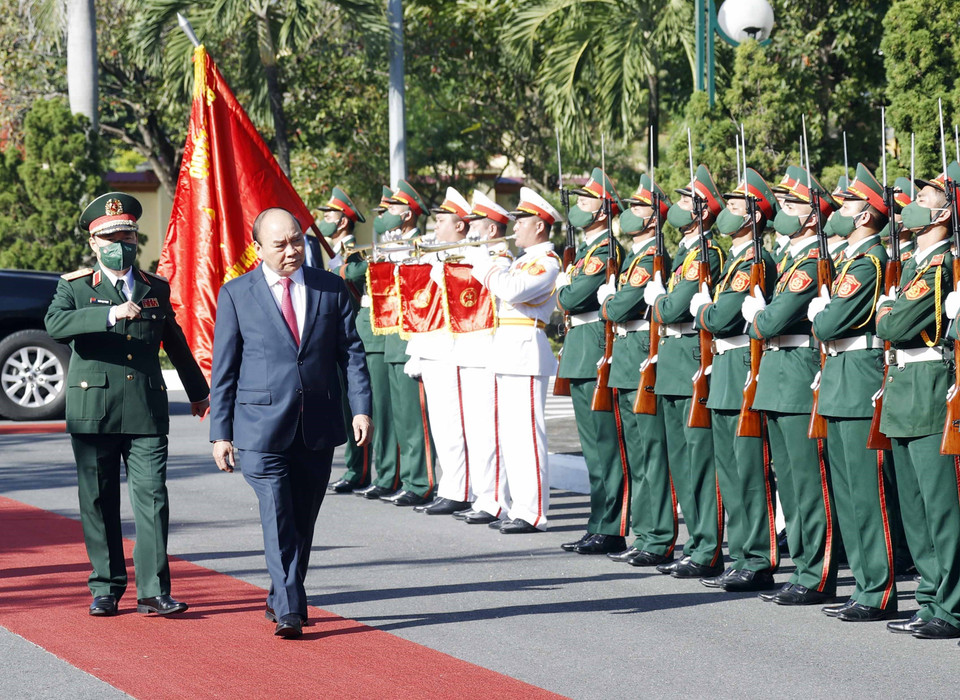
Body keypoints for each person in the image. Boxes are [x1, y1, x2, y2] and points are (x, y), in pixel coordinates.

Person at [45, 191, 210, 617]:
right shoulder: (76, 286)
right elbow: (55, 325)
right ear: (94, 243)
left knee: (153, 498)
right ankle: (105, 586)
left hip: (145, 408)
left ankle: (154, 589)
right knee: (98, 499)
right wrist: (109, 315)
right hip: (93, 409)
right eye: (111, 238)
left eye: (127, 236)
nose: (120, 245)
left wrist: (198, 391)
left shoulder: (155, 286)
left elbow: (173, 341)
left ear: (136, 240)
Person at [209, 207, 372, 639]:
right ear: (258, 248)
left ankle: (280, 593)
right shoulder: (236, 294)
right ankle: (289, 608)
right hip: (260, 428)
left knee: (302, 519)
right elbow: (224, 369)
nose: (291, 250)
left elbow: (351, 354)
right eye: (280, 244)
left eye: (296, 240)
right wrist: (220, 433)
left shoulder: (330, 288)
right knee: (277, 511)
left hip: (317, 424)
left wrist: (360, 407)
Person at [742, 167, 839, 606]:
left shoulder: (809, 265)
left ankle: (816, 574)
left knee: (808, 483)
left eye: (794, 204)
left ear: (814, 217)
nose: (783, 210)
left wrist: (757, 316)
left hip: (797, 373)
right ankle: (802, 567)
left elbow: (772, 321)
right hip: (778, 375)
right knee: (790, 482)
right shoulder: (791, 261)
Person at [808, 163, 898, 621]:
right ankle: (864, 585)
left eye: (847, 203)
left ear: (866, 216)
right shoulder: (848, 261)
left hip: (860, 377)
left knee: (867, 493)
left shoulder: (868, 263)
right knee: (847, 493)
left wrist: (823, 311)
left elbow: (826, 324)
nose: (839, 210)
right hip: (841, 378)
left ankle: (878, 590)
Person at [688, 168, 780, 591]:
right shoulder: (737, 262)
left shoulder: (755, 261)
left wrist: (702, 311)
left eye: (738, 206)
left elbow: (723, 317)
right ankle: (741, 554)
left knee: (748, 469)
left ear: (755, 217)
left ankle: (758, 558)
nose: (726, 212)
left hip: (743, 362)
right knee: (730, 470)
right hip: (724, 368)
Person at [880, 162, 960, 640]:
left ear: (945, 212)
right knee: (914, 507)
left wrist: (889, 309)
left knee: (941, 508)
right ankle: (930, 597)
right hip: (903, 387)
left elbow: (890, 326)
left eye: (926, 196)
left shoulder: (941, 264)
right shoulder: (912, 263)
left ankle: (950, 606)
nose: (914, 200)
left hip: (931, 387)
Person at [643, 164, 725, 579]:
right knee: (681, 461)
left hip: (692, 359)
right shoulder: (684, 252)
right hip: (674, 360)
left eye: (683, 201)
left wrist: (657, 300)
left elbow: (673, 309)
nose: (674, 207)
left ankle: (708, 546)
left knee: (699, 462)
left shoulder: (707, 253)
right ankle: (695, 541)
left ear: (703, 212)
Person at [464, 186, 562, 532]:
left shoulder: (547, 262)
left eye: (521, 221)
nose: (515, 226)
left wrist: (488, 263)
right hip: (507, 348)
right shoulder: (522, 260)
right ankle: (515, 506)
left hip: (526, 348)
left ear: (539, 226)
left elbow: (511, 289)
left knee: (528, 437)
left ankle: (533, 511)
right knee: (510, 436)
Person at [597, 175, 678, 566]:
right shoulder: (633, 258)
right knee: (637, 454)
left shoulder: (650, 260)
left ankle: (658, 535)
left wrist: (610, 301)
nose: (628, 213)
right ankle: (645, 532)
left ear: (653, 219)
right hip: (627, 359)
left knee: (652, 454)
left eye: (637, 207)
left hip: (642, 360)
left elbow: (617, 309)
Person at [556, 168, 629, 555]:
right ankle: (598, 521)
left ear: (603, 210)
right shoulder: (586, 252)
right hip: (581, 347)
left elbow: (571, 299)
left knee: (605, 445)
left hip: (597, 347)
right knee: (592, 448)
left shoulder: (606, 252)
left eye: (586, 201)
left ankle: (612, 525)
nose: (578, 207)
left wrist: (564, 286)